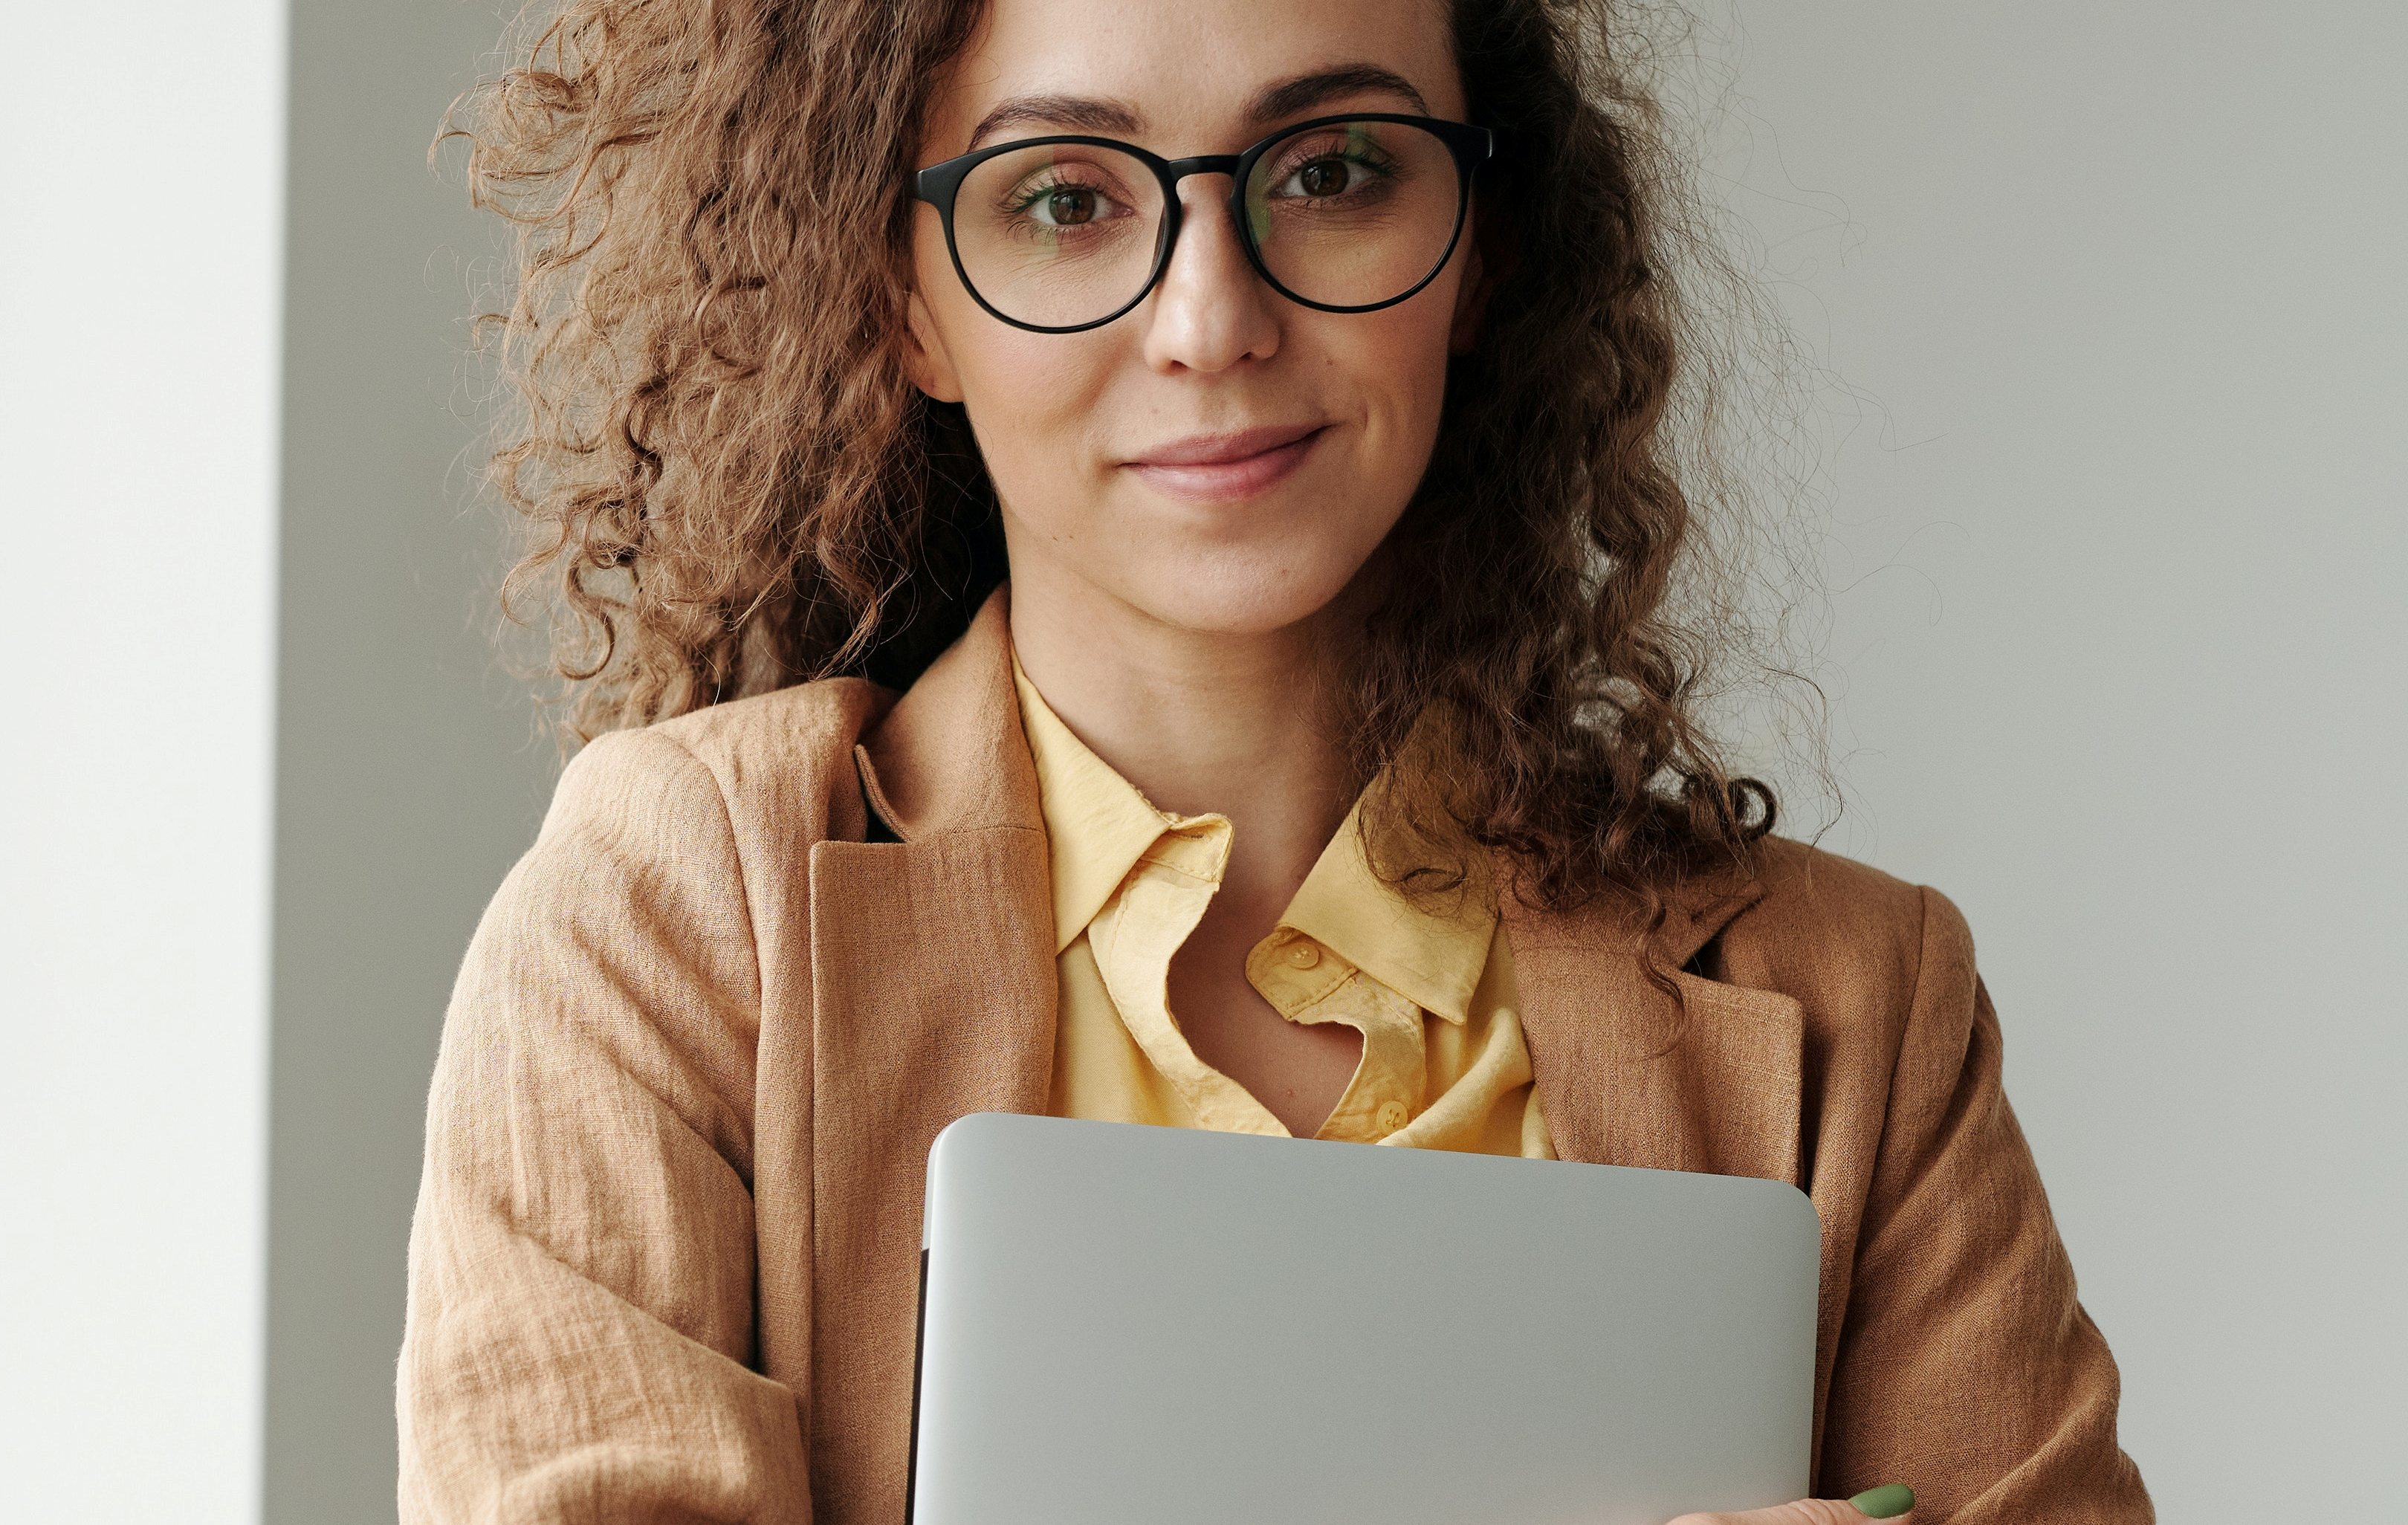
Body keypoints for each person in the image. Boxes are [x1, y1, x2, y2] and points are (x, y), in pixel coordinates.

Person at [396, 0, 2153, 1521]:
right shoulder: (671, 921)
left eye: (1330, 170)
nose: (1210, 320)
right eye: (1067, 200)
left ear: (1488, 245)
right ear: (906, 302)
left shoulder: (1864, 1010)